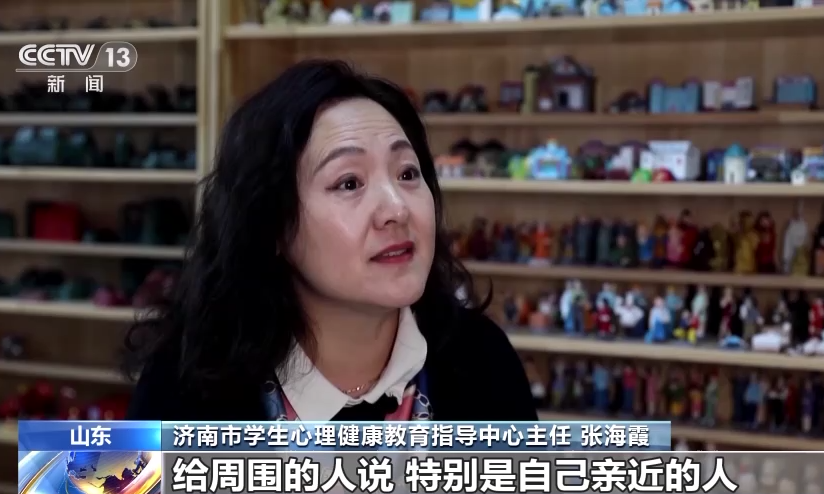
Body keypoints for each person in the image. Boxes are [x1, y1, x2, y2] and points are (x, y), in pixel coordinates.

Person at [122, 60, 537, 422]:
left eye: (408, 174)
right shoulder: (184, 382)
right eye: (349, 182)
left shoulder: (482, 360)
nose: (396, 209)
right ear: (272, 224)